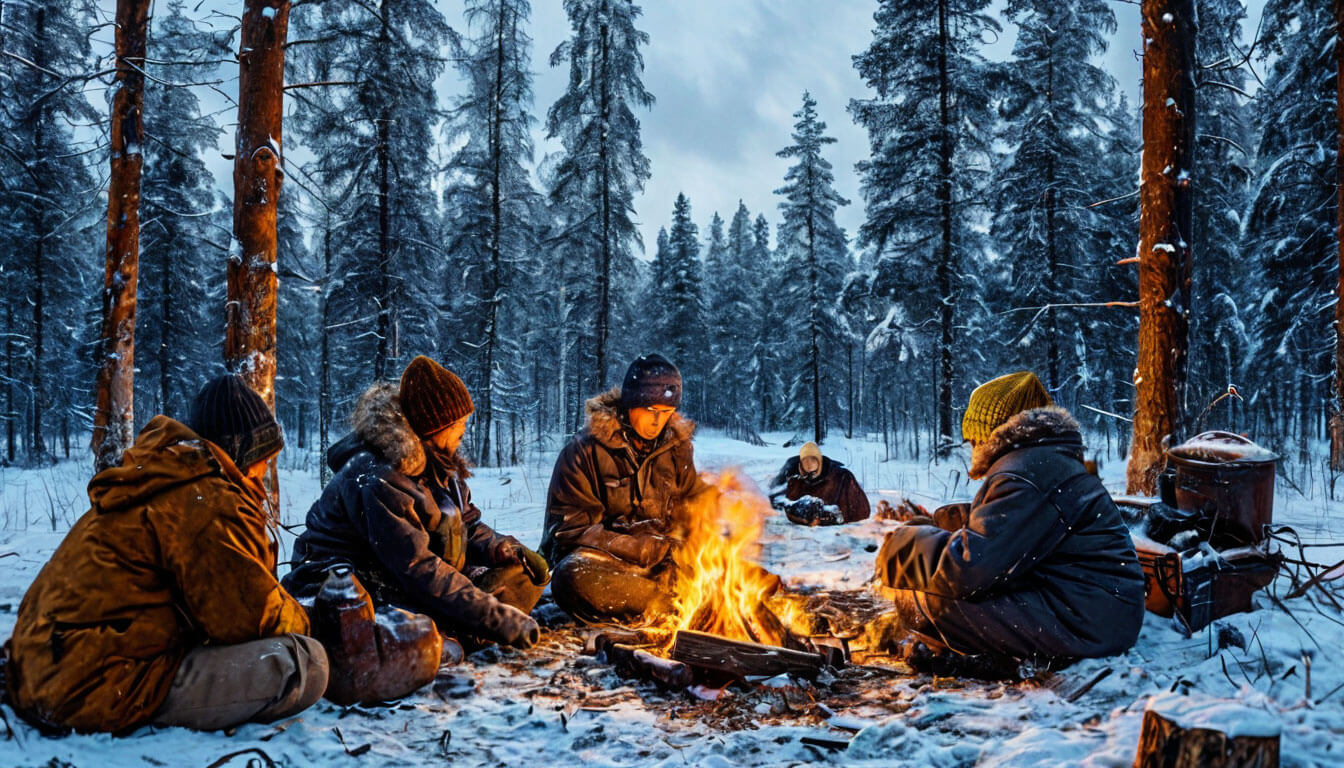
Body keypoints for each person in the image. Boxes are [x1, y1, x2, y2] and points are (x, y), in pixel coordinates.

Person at [2, 375, 328, 734]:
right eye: (264, 459)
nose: (265, 471)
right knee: (304, 663)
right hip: (91, 684)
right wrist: (315, 623)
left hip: (40, 668)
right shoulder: (207, 502)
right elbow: (248, 621)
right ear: (241, 453)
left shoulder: (161, 480)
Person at [872, 371, 1145, 666]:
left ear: (991, 432)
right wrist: (956, 519)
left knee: (926, 602)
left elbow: (966, 570)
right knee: (950, 590)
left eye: (973, 439)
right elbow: (1024, 527)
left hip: (1088, 620)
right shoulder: (1044, 461)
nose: (972, 448)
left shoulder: (1025, 471)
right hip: (1100, 610)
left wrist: (901, 546)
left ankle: (991, 663)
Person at [283, 356, 545, 656]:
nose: (464, 428)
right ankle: (439, 635)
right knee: (423, 622)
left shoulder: (442, 463)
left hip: (411, 577)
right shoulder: (379, 474)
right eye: (458, 422)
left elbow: (468, 524)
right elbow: (418, 567)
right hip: (357, 584)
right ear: (434, 427)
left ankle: (454, 628)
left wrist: (501, 547)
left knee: (519, 575)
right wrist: (499, 618)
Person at [542, 354, 712, 624]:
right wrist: (646, 549)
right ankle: (680, 603)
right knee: (572, 578)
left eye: (666, 413)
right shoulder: (584, 451)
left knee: (728, 568)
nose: (657, 422)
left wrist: (723, 511)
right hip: (602, 562)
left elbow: (693, 500)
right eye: (650, 411)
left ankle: (682, 598)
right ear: (631, 404)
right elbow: (572, 532)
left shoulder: (677, 448)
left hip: (658, 567)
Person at [770, 442, 871, 525]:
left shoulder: (841, 477)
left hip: (832, 537)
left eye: (813, 461)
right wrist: (793, 507)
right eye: (805, 462)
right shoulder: (792, 475)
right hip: (797, 538)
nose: (809, 467)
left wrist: (831, 516)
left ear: (820, 461)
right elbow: (772, 498)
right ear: (800, 463)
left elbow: (862, 511)